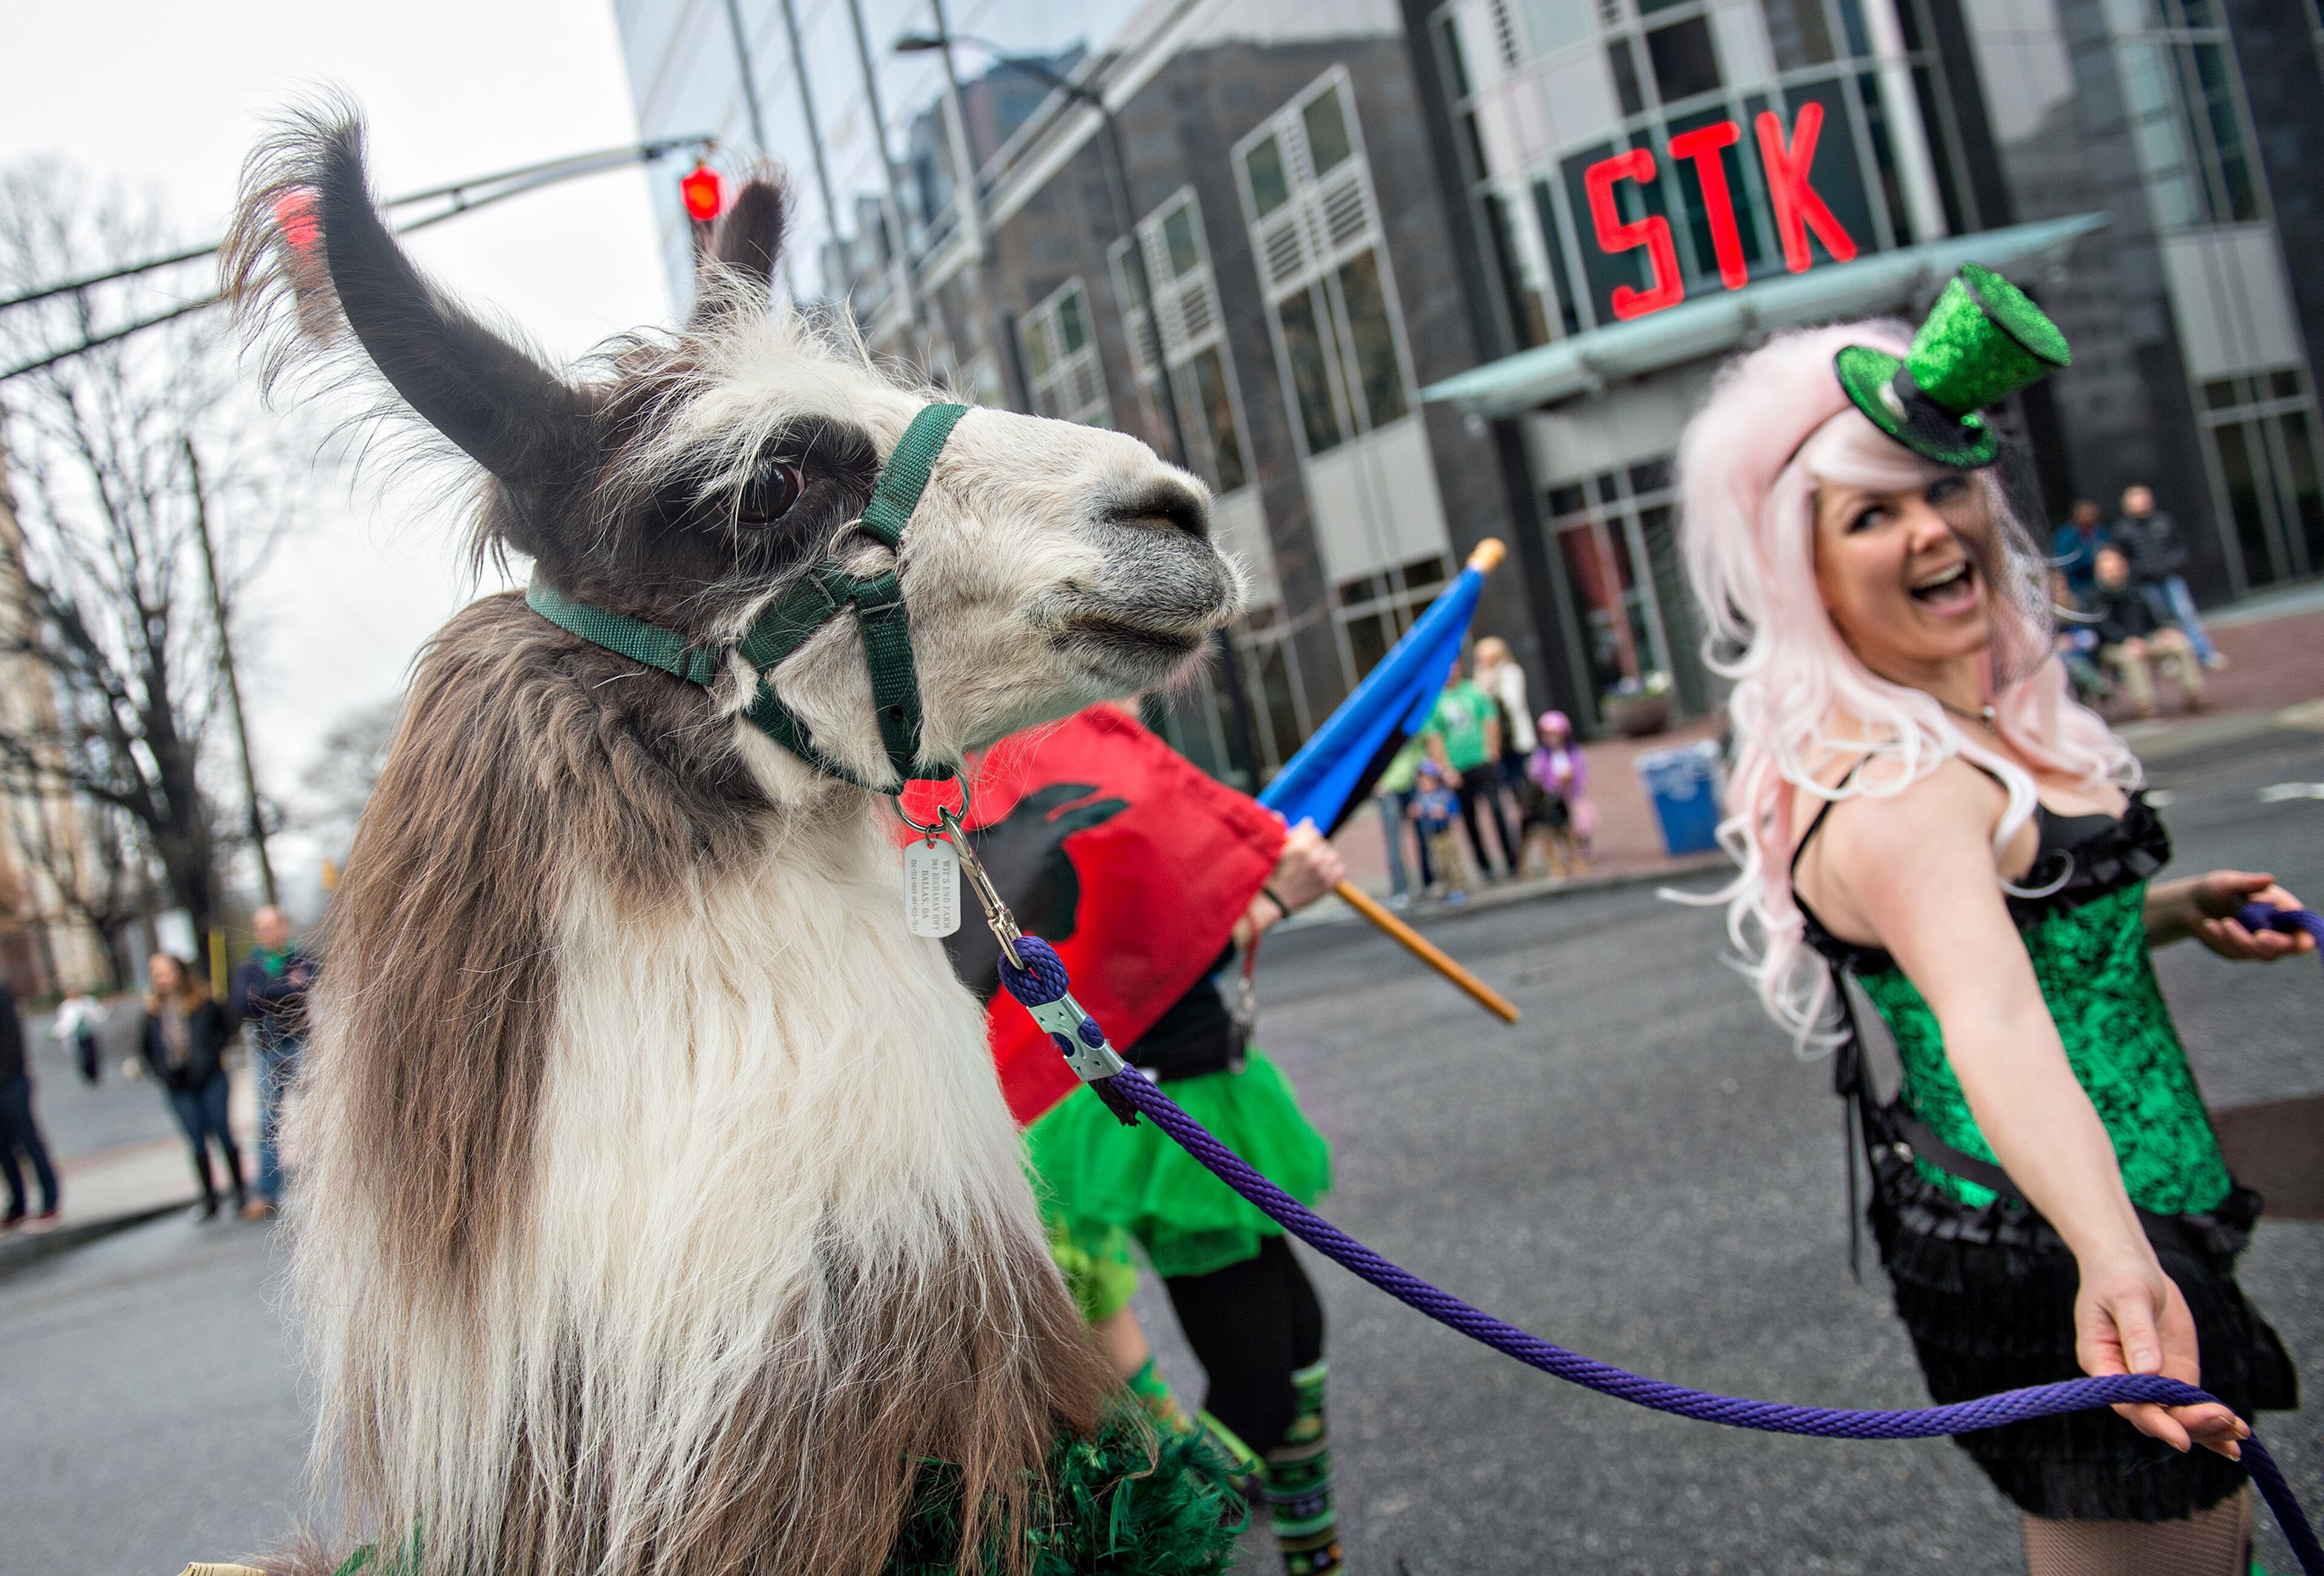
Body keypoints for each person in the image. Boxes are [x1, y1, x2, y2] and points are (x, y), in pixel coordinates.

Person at [1675, 271, 2304, 1574]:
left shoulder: (1958, 724)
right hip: (2055, 1246)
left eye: (1943, 490)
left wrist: (2179, 910)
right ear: (1807, 569)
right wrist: (2117, 1265)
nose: (1931, 532)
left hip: (2115, 1217)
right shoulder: (1900, 785)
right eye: (1872, 515)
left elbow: (2022, 939)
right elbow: (1994, 1015)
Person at [1028, 819, 1348, 1575]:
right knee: (1257, 1391)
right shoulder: (1087, 771)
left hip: (1216, 1088)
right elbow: (1125, 956)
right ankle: (1156, 1557)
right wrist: (1269, 901)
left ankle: (1316, 1561)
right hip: (1166, 1107)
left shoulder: (1133, 763)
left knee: (1299, 1340)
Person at [140, 952, 246, 1220]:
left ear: (178, 973)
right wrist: (162, 1073)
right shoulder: (152, 1012)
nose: (160, 978)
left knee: (223, 1132)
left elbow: (226, 1030)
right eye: (156, 973)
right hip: (178, 1086)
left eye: (165, 971)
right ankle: (209, 1199)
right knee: (196, 1139)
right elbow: (147, 1051)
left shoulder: (203, 1002)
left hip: (210, 1078)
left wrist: (211, 1058)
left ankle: (241, 1192)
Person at [229, 905, 313, 1219]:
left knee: (316, 1118)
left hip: (303, 1046)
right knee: (267, 1124)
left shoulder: (303, 957)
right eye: (259, 926)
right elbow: (242, 1003)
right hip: (266, 1049)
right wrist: (286, 988)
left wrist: (265, 995)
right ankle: (266, 1192)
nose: (265, 932)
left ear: (284, 927)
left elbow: (310, 986)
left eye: (271, 925)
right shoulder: (250, 966)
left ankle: (325, 1182)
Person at [2112, 484, 2223, 670]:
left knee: (2186, 615)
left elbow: (2178, 547)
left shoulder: (2163, 521)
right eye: (2136, 499)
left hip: (2170, 579)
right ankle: (2168, 658)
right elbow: (2123, 558)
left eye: (2144, 498)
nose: (2141, 503)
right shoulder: (2123, 529)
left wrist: (2170, 565)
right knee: (2158, 621)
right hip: (2145, 585)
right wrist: (2140, 572)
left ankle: (2205, 653)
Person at [2086, 544, 2205, 718]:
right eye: (2107, 563)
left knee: (2180, 644)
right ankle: (2146, 706)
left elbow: (2152, 620)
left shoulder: (2135, 590)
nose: (2113, 567)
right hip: (2113, 646)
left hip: (2144, 640)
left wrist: (2163, 631)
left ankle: (2194, 695)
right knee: (2132, 656)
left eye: (2116, 562)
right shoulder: (2094, 597)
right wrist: (2127, 640)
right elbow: (2103, 628)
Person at [1423, 658, 1514, 881]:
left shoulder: (1474, 692)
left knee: (1497, 810)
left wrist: (1492, 751)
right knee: (1469, 820)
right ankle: (1485, 866)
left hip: (1481, 761)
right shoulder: (1436, 701)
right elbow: (1434, 737)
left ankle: (1512, 859)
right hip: (1458, 768)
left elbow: (1490, 720)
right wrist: (1445, 769)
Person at [0, 980, 61, 1230]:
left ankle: (50, 1201)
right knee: (3, 1148)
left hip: (11, 1082)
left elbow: (12, 1043)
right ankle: (18, 1205)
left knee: (28, 1141)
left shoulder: (2, 993)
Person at [1520, 711, 1590, 880]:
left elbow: (1582, 774)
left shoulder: (1573, 753)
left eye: (1555, 735)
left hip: (1570, 797)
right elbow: (1537, 776)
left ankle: (1579, 856)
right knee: (1547, 834)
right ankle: (1555, 865)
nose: (1552, 739)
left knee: (1578, 824)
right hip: (1550, 801)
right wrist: (1550, 785)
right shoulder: (1541, 756)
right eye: (1548, 735)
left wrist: (1572, 780)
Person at [1471, 635, 1537, 804]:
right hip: (1498, 743)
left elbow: (1511, 702)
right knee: (1507, 786)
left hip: (1516, 739)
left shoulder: (1510, 672)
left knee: (1523, 782)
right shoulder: (1481, 676)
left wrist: (1490, 687)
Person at [1371, 734, 1434, 908]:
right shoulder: (1382, 729)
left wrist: (1422, 782)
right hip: (1388, 789)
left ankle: (1430, 882)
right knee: (1394, 843)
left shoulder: (1410, 726)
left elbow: (1421, 752)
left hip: (1413, 786)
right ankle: (1401, 890)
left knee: (1424, 835)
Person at [1409, 758, 1467, 901]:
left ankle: (1459, 887)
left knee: (1452, 861)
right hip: (1433, 835)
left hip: (1446, 833)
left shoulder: (1443, 794)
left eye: (1427, 780)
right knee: (1440, 864)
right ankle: (1448, 889)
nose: (1424, 784)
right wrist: (1415, 811)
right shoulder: (1421, 797)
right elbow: (1413, 811)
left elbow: (1454, 809)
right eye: (1421, 781)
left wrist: (1444, 811)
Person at [2049, 499, 2106, 605]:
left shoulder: (2099, 531)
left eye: (2093, 514)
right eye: (2087, 514)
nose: (2091, 517)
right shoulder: (2066, 535)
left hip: (2099, 585)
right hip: (2077, 585)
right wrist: (2091, 559)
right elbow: (2065, 562)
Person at [51, 988, 105, 1086]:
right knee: (85, 1057)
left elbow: (98, 1014)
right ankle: (87, 1074)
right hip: (77, 1037)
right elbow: (64, 1023)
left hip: (89, 1034)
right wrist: (58, 1032)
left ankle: (95, 1075)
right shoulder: (66, 1007)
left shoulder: (87, 1002)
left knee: (93, 1055)